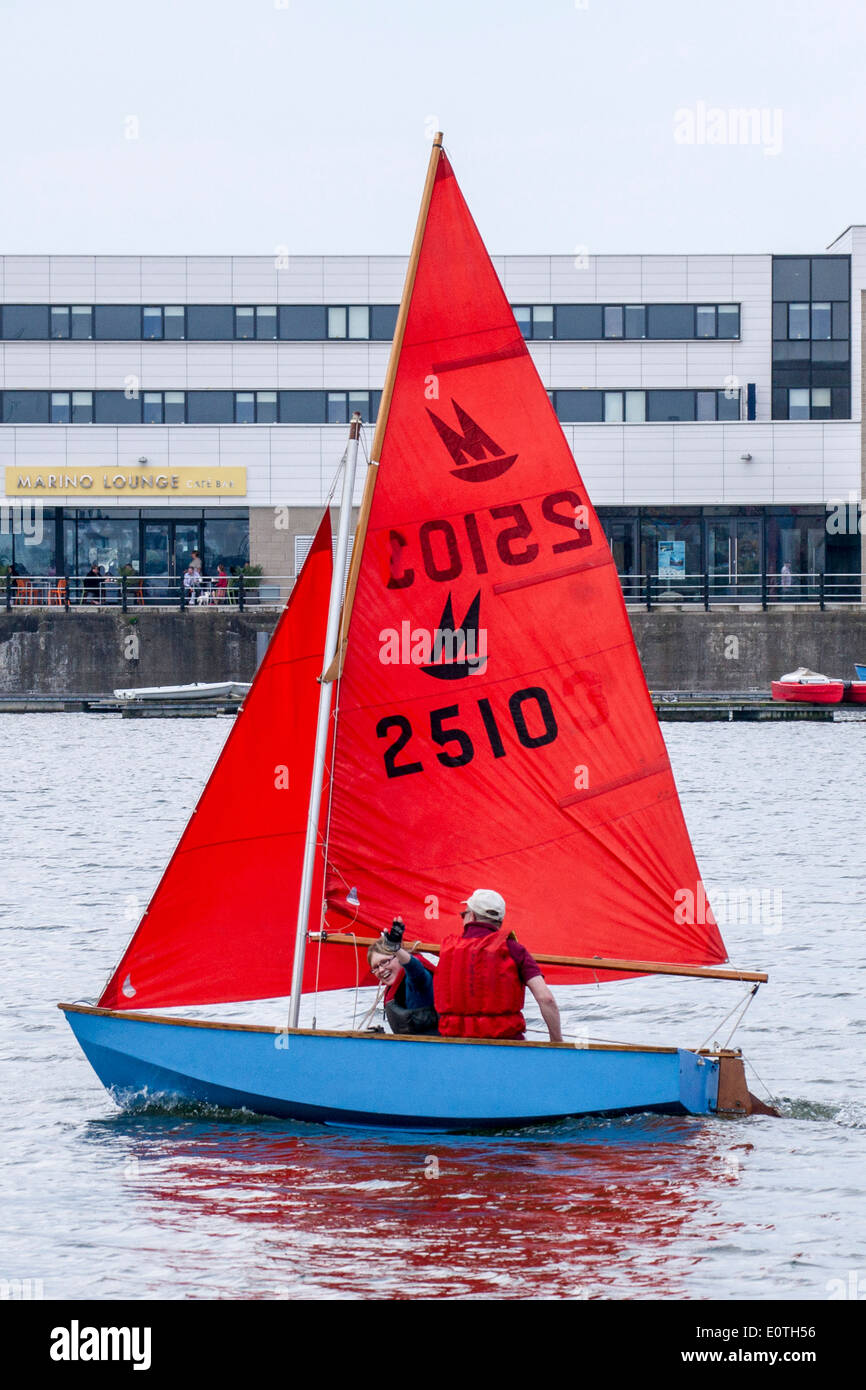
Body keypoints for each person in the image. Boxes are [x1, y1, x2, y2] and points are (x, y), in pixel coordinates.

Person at [434, 889, 563, 1042]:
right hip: (505, 1043)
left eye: (464, 914)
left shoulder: (447, 949)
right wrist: (557, 1042)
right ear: (499, 922)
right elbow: (546, 998)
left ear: (472, 916)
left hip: (453, 1043)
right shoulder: (514, 949)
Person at [367, 917, 438, 1035]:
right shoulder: (396, 987)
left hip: (433, 1048)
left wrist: (397, 950)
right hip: (412, 1048)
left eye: (385, 962)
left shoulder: (417, 983)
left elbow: (416, 970)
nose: (381, 970)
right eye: (375, 967)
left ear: (399, 957)